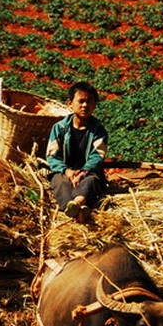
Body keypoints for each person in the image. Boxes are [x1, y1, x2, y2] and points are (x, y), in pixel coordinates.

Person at [46, 82, 108, 223]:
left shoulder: (98, 130)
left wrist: (84, 171)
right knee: (60, 182)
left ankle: (78, 202)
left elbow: (97, 156)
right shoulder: (60, 128)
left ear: (94, 104)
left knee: (91, 181)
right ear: (70, 103)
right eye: (81, 101)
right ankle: (77, 211)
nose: (85, 105)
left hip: (88, 172)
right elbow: (52, 156)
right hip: (65, 172)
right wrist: (66, 171)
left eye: (89, 101)